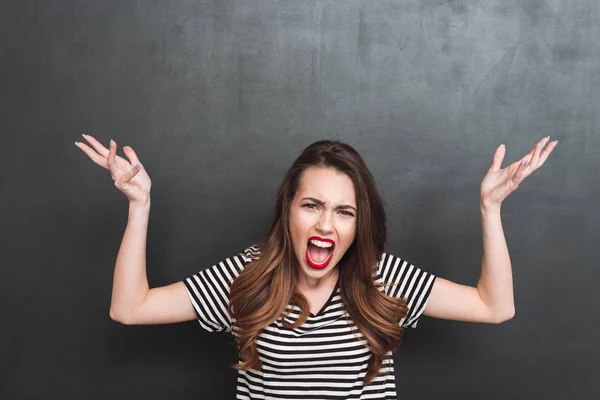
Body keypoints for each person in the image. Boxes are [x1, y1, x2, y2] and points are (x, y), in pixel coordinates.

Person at [75, 135, 556, 399]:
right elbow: (129, 308)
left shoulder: (380, 276)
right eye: (312, 205)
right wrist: (139, 206)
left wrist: (490, 209)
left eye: (344, 211)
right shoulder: (249, 274)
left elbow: (495, 307)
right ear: (288, 209)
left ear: (358, 222)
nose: (326, 223)